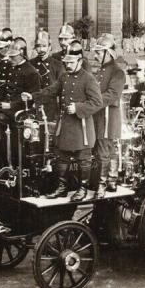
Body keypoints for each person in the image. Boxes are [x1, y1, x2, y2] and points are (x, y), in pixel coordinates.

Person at [24, 41, 103, 201]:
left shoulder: (89, 79)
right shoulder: (64, 77)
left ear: (80, 61)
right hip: (66, 124)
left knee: (84, 159)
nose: (67, 66)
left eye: (71, 63)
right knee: (61, 156)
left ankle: (83, 189)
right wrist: (33, 96)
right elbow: (51, 91)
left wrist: (79, 107)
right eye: (66, 63)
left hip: (82, 127)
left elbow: (97, 102)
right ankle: (61, 187)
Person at [89, 34, 125, 198]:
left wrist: (92, 102)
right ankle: (110, 180)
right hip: (98, 115)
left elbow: (112, 95)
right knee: (102, 149)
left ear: (108, 53)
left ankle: (105, 184)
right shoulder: (100, 71)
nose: (95, 56)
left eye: (98, 52)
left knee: (105, 149)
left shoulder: (117, 72)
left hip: (108, 116)